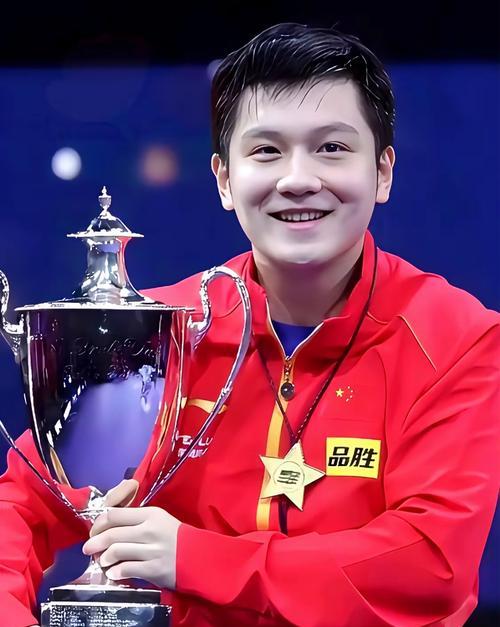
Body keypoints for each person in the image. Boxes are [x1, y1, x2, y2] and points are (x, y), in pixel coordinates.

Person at [1, 22, 499, 627]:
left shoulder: (457, 339)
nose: (298, 179)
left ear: (384, 172)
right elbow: (20, 503)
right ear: (224, 180)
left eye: (332, 148)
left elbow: (430, 565)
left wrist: (195, 558)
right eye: (266, 151)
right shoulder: (161, 332)